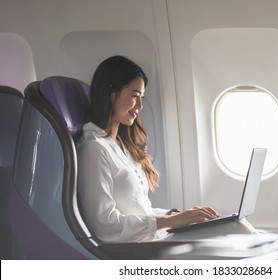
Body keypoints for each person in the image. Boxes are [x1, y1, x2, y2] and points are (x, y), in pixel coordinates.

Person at [77, 55, 219, 243]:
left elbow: (139, 210)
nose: (140, 106)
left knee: (228, 229)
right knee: (226, 236)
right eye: (135, 96)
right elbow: (104, 225)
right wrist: (170, 221)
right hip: (136, 249)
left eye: (141, 97)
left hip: (149, 239)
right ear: (110, 92)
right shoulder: (94, 149)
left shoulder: (120, 145)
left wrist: (178, 216)